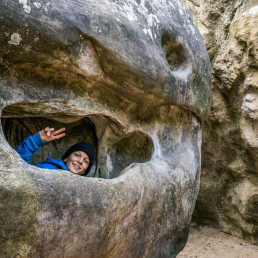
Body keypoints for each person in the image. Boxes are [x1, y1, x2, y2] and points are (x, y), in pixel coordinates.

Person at [16, 127, 95, 176]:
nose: (80, 161)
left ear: (85, 171)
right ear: (65, 158)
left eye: (86, 161)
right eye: (77, 155)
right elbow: (18, 168)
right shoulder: (48, 169)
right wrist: (36, 140)